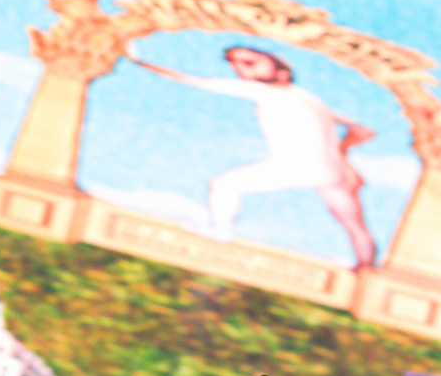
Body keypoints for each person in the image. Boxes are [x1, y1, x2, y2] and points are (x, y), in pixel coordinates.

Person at [130, 45, 376, 268]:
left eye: (249, 63)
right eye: (236, 64)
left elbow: (193, 80)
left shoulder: (265, 92)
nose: (240, 70)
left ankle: (220, 233)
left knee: (224, 185)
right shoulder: (309, 99)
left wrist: (139, 61)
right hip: (335, 171)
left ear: (279, 68)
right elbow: (363, 131)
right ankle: (366, 267)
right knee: (354, 225)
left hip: (297, 168)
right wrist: (341, 151)